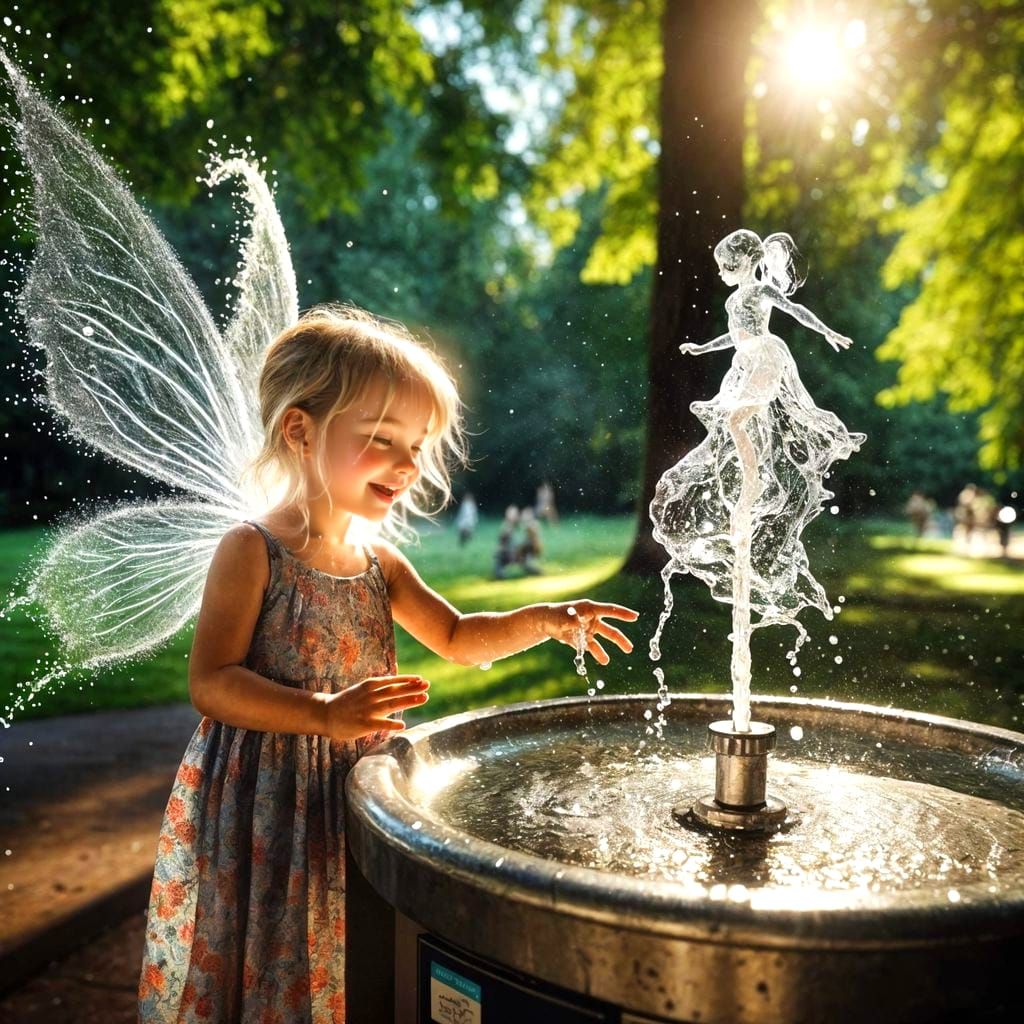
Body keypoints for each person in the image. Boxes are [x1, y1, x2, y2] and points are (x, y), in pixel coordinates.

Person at [137, 307, 638, 1022]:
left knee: (351, 939)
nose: (407, 464)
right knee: (273, 939)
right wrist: (321, 714)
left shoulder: (381, 563)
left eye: (417, 445)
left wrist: (547, 621)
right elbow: (210, 683)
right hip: (268, 796)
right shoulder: (253, 551)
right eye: (380, 441)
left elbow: (460, 635)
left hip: (356, 787)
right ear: (300, 431)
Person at [493, 504, 521, 579]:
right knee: (498, 555)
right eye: (511, 513)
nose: (512, 516)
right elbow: (501, 543)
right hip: (507, 554)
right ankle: (501, 573)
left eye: (514, 514)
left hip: (518, 554)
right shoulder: (505, 527)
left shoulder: (519, 527)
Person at [517, 507, 544, 574]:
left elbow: (536, 542)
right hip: (525, 551)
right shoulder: (522, 526)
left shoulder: (534, 524)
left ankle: (533, 567)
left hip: (532, 550)